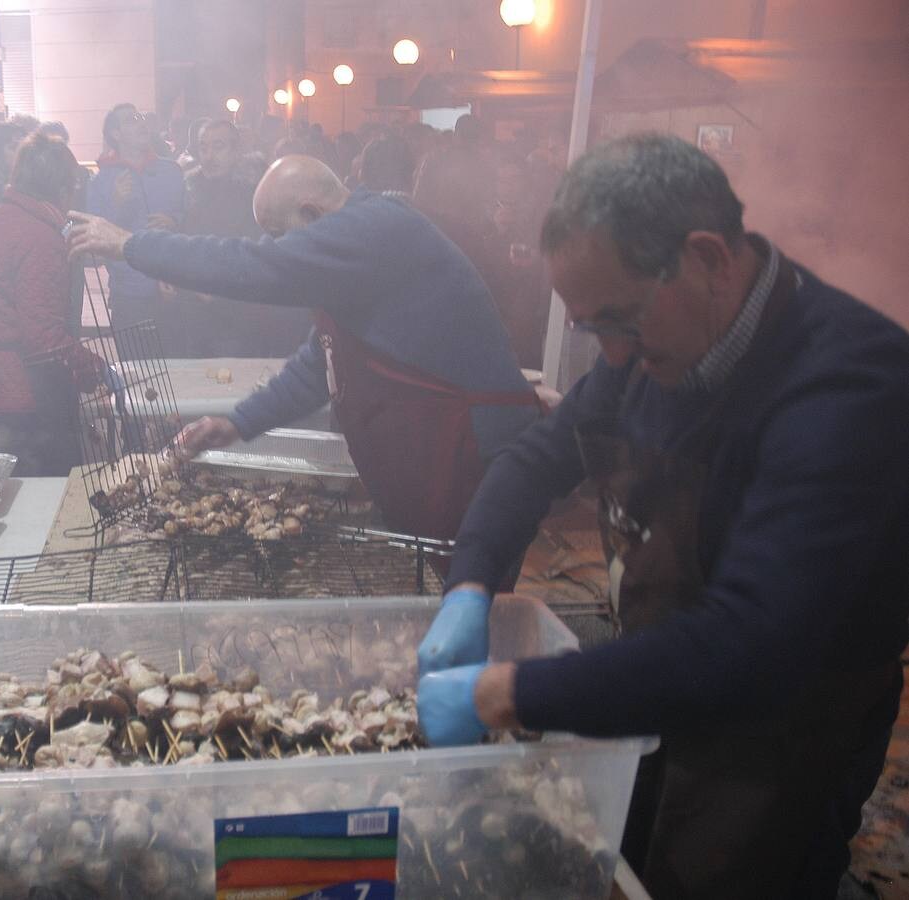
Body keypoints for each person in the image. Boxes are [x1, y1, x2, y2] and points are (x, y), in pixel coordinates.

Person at [414, 133, 909, 899]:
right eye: (589, 329)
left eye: (619, 320)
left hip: (783, 732)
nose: (609, 356)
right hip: (655, 677)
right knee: (633, 864)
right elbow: (533, 458)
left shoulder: (849, 389)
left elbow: (752, 643)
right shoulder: (651, 349)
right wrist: (469, 584)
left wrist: (506, 694)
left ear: (707, 257)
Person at [68, 155, 539, 547]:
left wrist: (131, 245)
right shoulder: (355, 255)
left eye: (277, 232)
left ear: (313, 215)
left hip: (471, 452)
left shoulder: (375, 229)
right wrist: (236, 423)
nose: (275, 246)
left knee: (466, 602)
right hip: (431, 453)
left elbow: (253, 266)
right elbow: (320, 363)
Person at [0, 134, 111, 476]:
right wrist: (95, 368)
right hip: (29, 390)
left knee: (18, 486)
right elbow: (42, 336)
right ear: (63, 187)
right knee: (52, 493)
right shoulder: (39, 236)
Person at [180, 120, 308, 358]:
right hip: (194, 312)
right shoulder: (188, 190)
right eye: (203, 147)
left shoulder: (254, 194)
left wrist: (216, 290)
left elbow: (255, 253)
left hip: (238, 316)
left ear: (236, 150)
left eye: (219, 146)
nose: (209, 155)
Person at [86, 103, 185, 345]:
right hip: (130, 295)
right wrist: (117, 206)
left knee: (181, 373)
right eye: (131, 119)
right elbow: (95, 243)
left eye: (141, 117)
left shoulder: (171, 170)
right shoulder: (101, 182)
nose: (141, 122)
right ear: (115, 134)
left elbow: (193, 218)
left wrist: (175, 221)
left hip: (176, 288)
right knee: (138, 374)